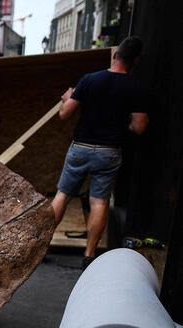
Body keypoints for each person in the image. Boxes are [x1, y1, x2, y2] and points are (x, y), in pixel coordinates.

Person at [51, 36, 149, 269]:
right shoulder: (135, 87)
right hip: (108, 152)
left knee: (62, 195)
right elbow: (139, 127)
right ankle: (89, 254)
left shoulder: (89, 80)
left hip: (80, 148)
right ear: (135, 61)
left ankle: (41, 245)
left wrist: (66, 99)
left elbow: (64, 115)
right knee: (99, 201)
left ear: (116, 56)